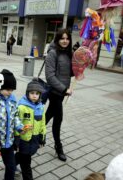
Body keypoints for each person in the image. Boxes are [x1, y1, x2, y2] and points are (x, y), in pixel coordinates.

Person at [45, 28, 73, 162]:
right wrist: (64, 89)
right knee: (58, 119)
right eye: (62, 38)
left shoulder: (69, 53)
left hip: (61, 93)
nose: (65, 41)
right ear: (57, 39)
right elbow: (50, 76)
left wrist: (81, 66)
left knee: (48, 115)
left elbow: (70, 73)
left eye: (67, 38)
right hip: (55, 92)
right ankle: (58, 147)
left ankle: (36, 133)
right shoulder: (52, 53)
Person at [0, 69, 25, 180]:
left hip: (9, 141)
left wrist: (20, 127)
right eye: (8, 89)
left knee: (11, 167)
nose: (10, 92)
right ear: (0, 86)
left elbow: (15, 115)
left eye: (12, 90)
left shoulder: (12, 99)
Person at [14, 78, 46, 180]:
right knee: (26, 163)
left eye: (37, 93)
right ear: (27, 93)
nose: (34, 95)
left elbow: (42, 123)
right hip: (23, 139)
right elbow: (16, 122)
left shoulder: (40, 107)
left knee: (22, 155)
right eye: (32, 93)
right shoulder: (22, 107)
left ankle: (11, 164)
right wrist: (17, 138)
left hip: (34, 139)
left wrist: (42, 136)